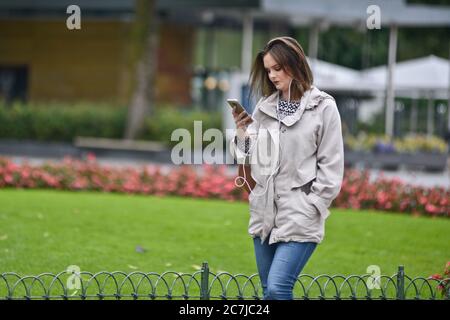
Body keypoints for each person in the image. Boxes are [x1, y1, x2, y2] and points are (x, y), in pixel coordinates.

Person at [230, 37, 344, 300]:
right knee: (268, 290)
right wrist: (242, 132)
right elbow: (248, 159)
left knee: (279, 287)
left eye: (277, 68)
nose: (271, 76)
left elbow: (332, 165)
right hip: (264, 214)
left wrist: (313, 204)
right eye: (268, 70)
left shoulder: (324, 107)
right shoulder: (264, 107)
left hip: (301, 215)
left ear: (294, 64)